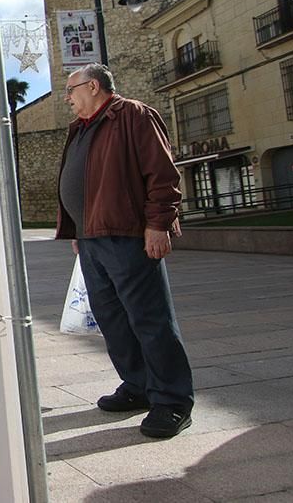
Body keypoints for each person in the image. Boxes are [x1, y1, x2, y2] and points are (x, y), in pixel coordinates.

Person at [56, 64, 194, 438]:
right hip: (92, 239)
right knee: (113, 321)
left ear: (94, 86)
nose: (67, 97)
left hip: (129, 236)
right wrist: (78, 228)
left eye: (71, 90)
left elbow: (163, 175)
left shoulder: (132, 115)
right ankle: (138, 386)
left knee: (150, 319)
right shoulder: (83, 127)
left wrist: (158, 224)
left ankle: (173, 401)